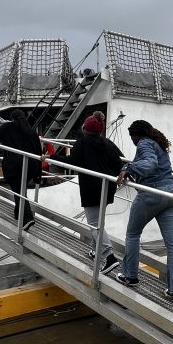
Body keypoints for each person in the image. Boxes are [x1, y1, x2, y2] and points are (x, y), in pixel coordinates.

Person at [114, 120, 173, 298]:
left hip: (153, 193)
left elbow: (150, 163)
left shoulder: (144, 143)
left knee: (132, 234)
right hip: (172, 194)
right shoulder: (157, 144)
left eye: (132, 137)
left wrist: (129, 168)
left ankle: (130, 276)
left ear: (138, 135)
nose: (132, 141)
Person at [68, 111, 124, 274]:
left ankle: (109, 257)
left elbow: (73, 162)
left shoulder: (81, 142)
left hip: (90, 188)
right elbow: (119, 163)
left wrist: (50, 157)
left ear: (85, 128)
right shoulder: (108, 143)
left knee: (94, 224)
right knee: (98, 222)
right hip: (107, 188)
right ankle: (95, 250)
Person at [0, 109, 43, 227]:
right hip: (31, 165)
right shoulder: (31, 131)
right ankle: (18, 212)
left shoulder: (8, 127)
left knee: (19, 190)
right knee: (20, 189)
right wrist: (38, 174)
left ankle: (27, 218)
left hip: (13, 165)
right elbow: (39, 153)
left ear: (12, 118)